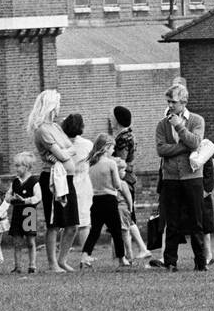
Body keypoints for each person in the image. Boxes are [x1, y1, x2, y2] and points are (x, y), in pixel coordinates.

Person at [155, 82, 208, 271]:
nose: (170, 105)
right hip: (170, 178)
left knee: (196, 222)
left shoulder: (196, 120)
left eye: (174, 102)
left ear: (184, 102)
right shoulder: (162, 124)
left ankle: (200, 262)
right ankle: (170, 262)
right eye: (168, 101)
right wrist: (183, 147)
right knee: (172, 221)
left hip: (192, 177)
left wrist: (179, 128)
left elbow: (195, 143)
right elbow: (161, 150)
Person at [28, 90, 78, 273]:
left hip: (67, 178)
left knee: (72, 224)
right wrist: (65, 153)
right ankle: (52, 264)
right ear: (51, 105)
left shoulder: (56, 127)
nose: (59, 107)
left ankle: (62, 260)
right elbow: (63, 154)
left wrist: (66, 153)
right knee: (55, 222)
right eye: (57, 103)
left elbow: (70, 150)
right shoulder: (42, 130)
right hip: (52, 179)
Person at [81, 134, 125, 268]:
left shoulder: (91, 163)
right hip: (109, 199)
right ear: (106, 148)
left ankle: (84, 255)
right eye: (112, 148)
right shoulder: (111, 163)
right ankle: (121, 259)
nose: (113, 151)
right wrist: (121, 175)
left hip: (96, 200)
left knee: (94, 231)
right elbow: (117, 185)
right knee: (116, 230)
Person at [62, 113, 94, 257]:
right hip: (83, 182)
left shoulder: (61, 144)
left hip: (66, 182)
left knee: (68, 221)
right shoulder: (87, 145)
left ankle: (64, 253)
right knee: (84, 221)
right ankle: (85, 253)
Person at [8, 152, 42, 274]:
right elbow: (8, 195)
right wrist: (11, 198)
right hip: (17, 212)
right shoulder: (15, 182)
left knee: (30, 241)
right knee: (17, 241)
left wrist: (26, 200)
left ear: (26, 167)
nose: (16, 168)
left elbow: (38, 197)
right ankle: (18, 266)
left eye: (18, 166)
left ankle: (32, 265)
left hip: (29, 212)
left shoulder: (34, 181)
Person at [115, 158, 150, 263]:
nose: (124, 173)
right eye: (122, 170)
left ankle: (129, 254)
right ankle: (124, 254)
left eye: (124, 170)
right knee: (122, 232)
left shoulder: (123, 184)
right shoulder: (116, 183)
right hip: (119, 209)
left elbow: (129, 198)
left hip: (123, 209)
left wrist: (130, 208)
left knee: (124, 231)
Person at [111, 105, 137, 222]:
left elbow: (120, 162)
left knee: (125, 218)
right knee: (128, 219)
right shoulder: (128, 135)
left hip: (123, 179)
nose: (111, 119)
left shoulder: (123, 139)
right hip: (128, 177)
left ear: (118, 119)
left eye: (112, 117)